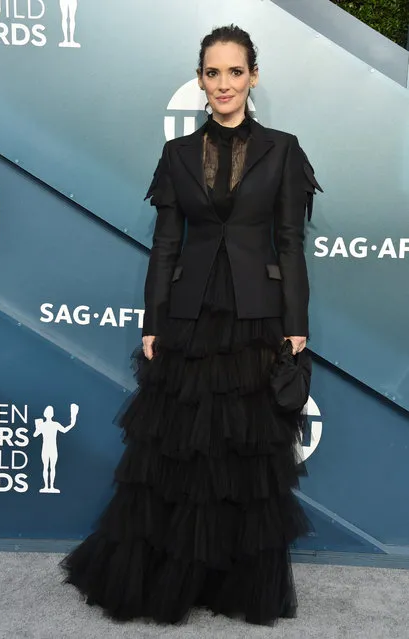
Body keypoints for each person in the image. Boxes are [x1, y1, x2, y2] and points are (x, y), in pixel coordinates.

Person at [60, 24, 323, 627]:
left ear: (253, 76)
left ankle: (233, 583)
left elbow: (289, 242)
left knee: (243, 458)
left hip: (257, 318)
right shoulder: (177, 155)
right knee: (180, 453)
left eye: (235, 71)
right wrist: (153, 322)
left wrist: (296, 322)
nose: (224, 83)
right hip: (191, 318)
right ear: (200, 80)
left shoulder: (282, 149)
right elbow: (164, 248)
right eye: (213, 72)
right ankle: (175, 575)